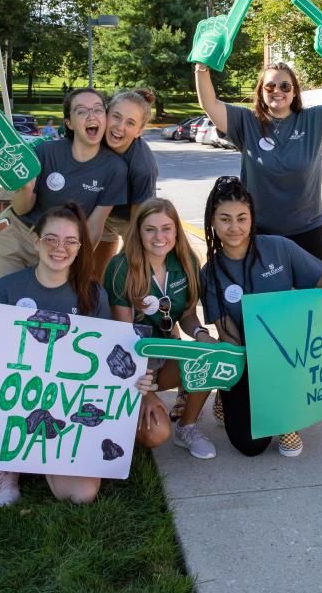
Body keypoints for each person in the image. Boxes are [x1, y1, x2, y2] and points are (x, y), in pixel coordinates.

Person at [0, 202, 154, 506]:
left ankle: (46, 454)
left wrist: (134, 379)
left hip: (65, 408)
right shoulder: (6, 289)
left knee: (83, 494)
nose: (60, 248)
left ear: (79, 248)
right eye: (51, 239)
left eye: (70, 241)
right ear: (37, 241)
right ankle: (8, 463)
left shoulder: (93, 295)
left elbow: (108, 359)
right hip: (13, 400)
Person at [201, 176, 322, 458]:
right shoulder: (210, 272)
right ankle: (228, 394)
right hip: (244, 356)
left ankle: (288, 418)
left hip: (288, 354)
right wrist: (257, 372)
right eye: (225, 219)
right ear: (213, 222)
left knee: (280, 416)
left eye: (242, 218)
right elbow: (227, 332)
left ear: (252, 218)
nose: (234, 228)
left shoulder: (279, 247)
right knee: (250, 446)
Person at [195, 61, 322, 261]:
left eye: (285, 86)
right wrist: (202, 67)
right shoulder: (246, 122)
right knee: (266, 292)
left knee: (310, 292)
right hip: (259, 231)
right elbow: (210, 104)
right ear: (261, 92)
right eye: (270, 86)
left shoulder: (314, 119)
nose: (278, 91)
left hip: (308, 230)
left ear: (294, 92)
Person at [0, 88, 128, 289]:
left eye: (98, 110)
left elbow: (94, 226)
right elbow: (20, 209)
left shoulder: (115, 168)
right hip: (16, 237)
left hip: (59, 248)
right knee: (5, 309)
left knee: (48, 315)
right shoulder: (45, 152)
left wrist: (78, 263)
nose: (91, 116)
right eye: (81, 111)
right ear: (69, 123)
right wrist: (26, 188)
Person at [104, 197, 216, 459]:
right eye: (150, 229)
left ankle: (187, 427)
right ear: (138, 232)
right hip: (131, 363)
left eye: (166, 228)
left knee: (207, 357)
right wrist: (144, 392)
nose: (159, 236)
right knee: (154, 435)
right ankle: (122, 416)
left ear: (176, 229)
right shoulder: (120, 267)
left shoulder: (186, 261)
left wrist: (200, 334)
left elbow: (187, 315)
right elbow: (123, 336)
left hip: (165, 352)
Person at [93, 88, 159, 277]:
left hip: (128, 218)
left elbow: (138, 222)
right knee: (93, 275)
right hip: (100, 208)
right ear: (106, 114)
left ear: (139, 131)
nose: (120, 127)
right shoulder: (94, 136)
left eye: (130, 123)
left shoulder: (143, 168)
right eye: (116, 117)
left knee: (126, 272)